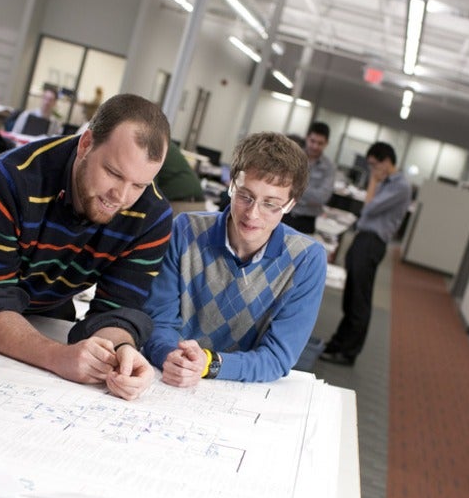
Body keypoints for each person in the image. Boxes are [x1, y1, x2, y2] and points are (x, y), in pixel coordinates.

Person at [0, 93, 172, 401]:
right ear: (85, 144)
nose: (121, 197)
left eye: (139, 185)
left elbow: (117, 309)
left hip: (49, 315)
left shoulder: (151, 215)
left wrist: (120, 351)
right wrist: (58, 356)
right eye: (113, 173)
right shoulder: (7, 181)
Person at [143, 132, 327, 386]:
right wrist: (169, 355)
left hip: (238, 392)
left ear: (290, 205)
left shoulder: (307, 260)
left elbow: (277, 356)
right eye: (245, 196)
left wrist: (209, 363)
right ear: (231, 185)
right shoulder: (185, 230)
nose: (253, 214)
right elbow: (158, 320)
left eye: (270, 204)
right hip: (169, 378)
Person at [320, 142, 412, 366]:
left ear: (386, 162)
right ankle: (338, 342)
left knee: (359, 299)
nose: (372, 169)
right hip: (363, 239)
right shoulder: (388, 182)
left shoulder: (400, 186)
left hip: (373, 242)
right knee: (351, 296)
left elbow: (369, 207)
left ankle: (348, 352)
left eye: (374, 165)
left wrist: (373, 180)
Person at [281, 121, 335, 235]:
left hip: (307, 221)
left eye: (320, 143)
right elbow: (281, 185)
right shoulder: (293, 157)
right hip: (284, 214)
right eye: (312, 141)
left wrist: (295, 189)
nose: (315, 146)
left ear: (327, 143)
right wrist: (308, 196)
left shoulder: (329, 167)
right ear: (306, 138)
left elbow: (322, 197)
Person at [155, 140, 205, 214]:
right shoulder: (164, 141)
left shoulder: (154, 144)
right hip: (194, 204)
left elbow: (148, 188)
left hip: (182, 204)